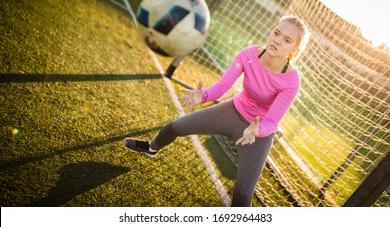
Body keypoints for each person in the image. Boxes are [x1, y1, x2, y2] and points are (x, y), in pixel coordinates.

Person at [124, 15, 310, 206]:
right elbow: (222, 86)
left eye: (287, 40)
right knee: (174, 127)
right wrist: (203, 95)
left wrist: (258, 130)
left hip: (255, 134)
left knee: (243, 194)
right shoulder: (249, 54)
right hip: (232, 111)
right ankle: (151, 148)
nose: (277, 40)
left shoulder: (291, 81)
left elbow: (272, 122)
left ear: (294, 50)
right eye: (276, 33)